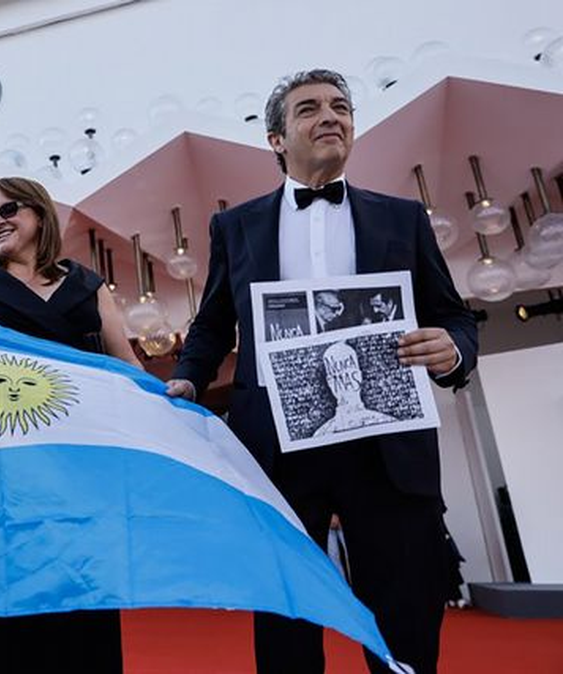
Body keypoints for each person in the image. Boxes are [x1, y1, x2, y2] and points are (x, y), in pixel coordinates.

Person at [166, 69, 478, 674]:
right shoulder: (235, 226)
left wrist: (455, 349)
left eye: (341, 107)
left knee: (405, 620)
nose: (331, 116)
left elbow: (454, 317)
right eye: (309, 109)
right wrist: (187, 378)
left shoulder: (403, 219)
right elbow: (211, 324)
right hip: (278, 452)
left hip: (387, 449)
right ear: (277, 139)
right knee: (286, 624)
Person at [0, 176, 140, 673]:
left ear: (39, 215)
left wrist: (180, 404)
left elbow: (128, 367)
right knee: (4, 624)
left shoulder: (87, 286)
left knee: (83, 613)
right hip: (6, 480)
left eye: (8, 209)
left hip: (82, 479)